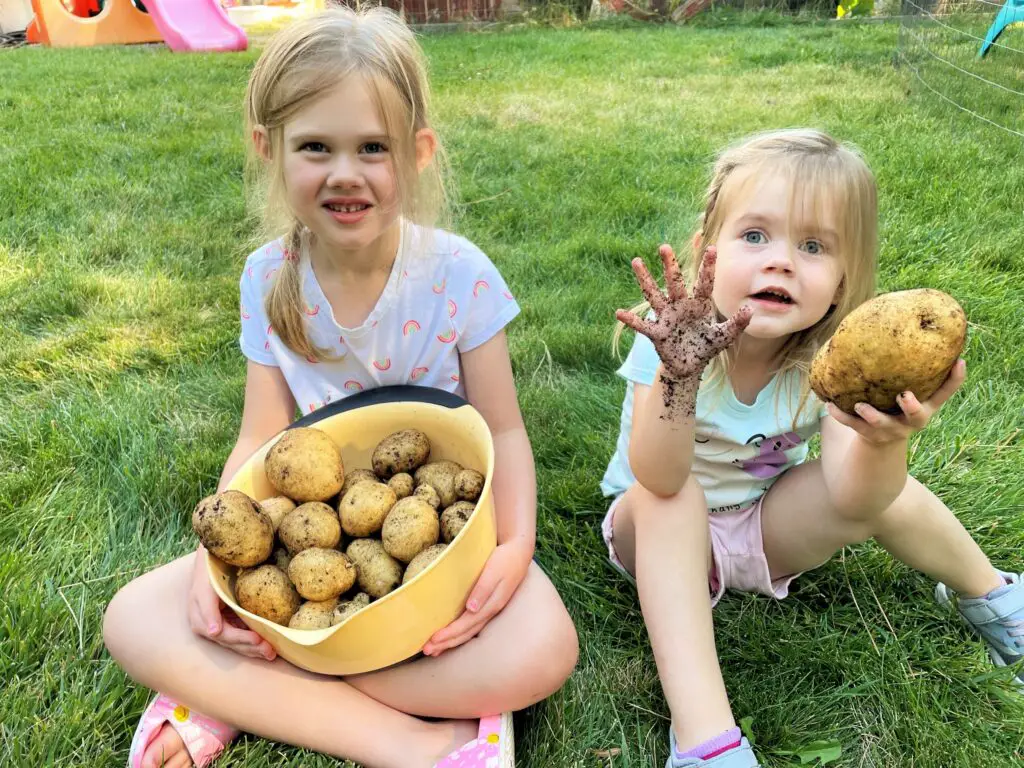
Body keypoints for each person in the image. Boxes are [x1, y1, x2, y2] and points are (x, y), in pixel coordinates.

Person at [103, 8, 577, 767]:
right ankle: (409, 740)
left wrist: (515, 546)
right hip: (309, 547)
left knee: (546, 648)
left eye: (373, 148)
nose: (345, 172)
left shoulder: (460, 275)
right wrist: (210, 574)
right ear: (270, 150)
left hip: (442, 553)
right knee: (131, 619)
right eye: (316, 146)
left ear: (417, 154)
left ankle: (247, 693)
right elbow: (261, 437)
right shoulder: (268, 279)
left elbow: (507, 432)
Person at [601, 128, 1023, 767]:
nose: (781, 262)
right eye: (753, 236)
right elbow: (656, 477)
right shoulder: (671, 342)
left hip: (761, 531)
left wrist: (884, 444)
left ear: (843, 280)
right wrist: (677, 377)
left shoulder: (826, 368)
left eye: (813, 246)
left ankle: (993, 599)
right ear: (704, 252)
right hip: (652, 536)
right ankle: (705, 740)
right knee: (672, 498)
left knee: (887, 488)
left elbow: (855, 502)